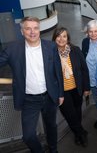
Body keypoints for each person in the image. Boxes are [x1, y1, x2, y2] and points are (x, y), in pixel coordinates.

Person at [0, 17, 64, 153]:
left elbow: (57, 71)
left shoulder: (51, 46)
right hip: (29, 100)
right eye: (28, 28)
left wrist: (60, 93)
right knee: (28, 136)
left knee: (51, 126)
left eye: (35, 28)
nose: (32, 32)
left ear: (39, 29)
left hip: (49, 97)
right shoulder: (12, 49)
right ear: (22, 31)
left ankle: (53, 149)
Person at [52, 27, 90, 147]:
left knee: (77, 112)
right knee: (69, 115)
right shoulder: (51, 53)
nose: (61, 39)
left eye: (64, 36)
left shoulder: (75, 50)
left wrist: (86, 87)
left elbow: (84, 70)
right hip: (62, 92)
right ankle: (81, 133)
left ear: (68, 38)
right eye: (58, 36)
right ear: (54, 38)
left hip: (76, 89)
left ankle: (77, 134)